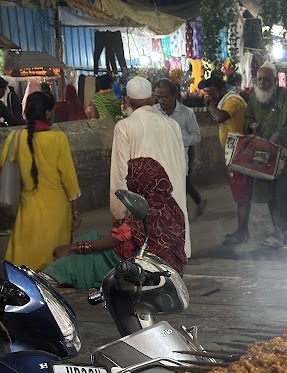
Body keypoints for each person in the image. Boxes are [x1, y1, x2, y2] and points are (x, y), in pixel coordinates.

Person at [44, 157, 187, 289]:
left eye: (130, 175)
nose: (127, 178)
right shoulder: (171, 206)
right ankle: (58, 273)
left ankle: (50, 278)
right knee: (91, 236)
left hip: (142, 269)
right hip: (167, 268)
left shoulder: (148, 210)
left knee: (86, 256)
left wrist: (73, 247)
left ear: (141, 179)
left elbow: (114, 240)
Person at [109, 76, 190, 258]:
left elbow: (120, 172)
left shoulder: (124, 126)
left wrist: (118, 211)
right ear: (152, 98)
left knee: (147, 256)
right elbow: (181, 166)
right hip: (172, 202)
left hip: (144, 205)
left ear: (128, 100)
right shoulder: (172, 124)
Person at [0, 92, 80, 272]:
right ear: (48, 113)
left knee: (24, 256)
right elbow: (69, 178)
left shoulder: (15, 137)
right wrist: (75, 211)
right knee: (53, 262)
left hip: (27, 207)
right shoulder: (58, 138)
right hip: (56, 210)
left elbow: (3, 166)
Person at [240, 62, 287, 246]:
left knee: (284, 195)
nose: (262, 83)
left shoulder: (285, 96)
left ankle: (285, 234)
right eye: (259, 79)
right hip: (263, 154)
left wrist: (273, 140)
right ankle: (279, 232)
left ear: (275, 80)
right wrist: (252, 125)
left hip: (284, 154)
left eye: (266, 79)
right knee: (269, 194)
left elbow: (286, 123)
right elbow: (248, 118)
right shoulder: (253, 98)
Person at [198, 74, 249, 239]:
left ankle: (242, 233)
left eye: (212, 93)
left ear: (221, 89)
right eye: (207, 94)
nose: (210, 97)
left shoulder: (232, 101)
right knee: (240, 194)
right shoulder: (225, 101)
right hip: (234, 152)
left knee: (241, 195)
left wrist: (210, 104)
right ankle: (242, 231)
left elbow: (219, 117)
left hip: (240, 153)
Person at [153, 78, 204, 217]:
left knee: (180, 198)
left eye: (165, 97)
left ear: (174, 95)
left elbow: (196, 137)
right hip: (158, 163)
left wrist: (177, 139)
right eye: (158, 97)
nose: (161, 101)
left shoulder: (187, 113)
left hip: (179, 163)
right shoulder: (153, 113)